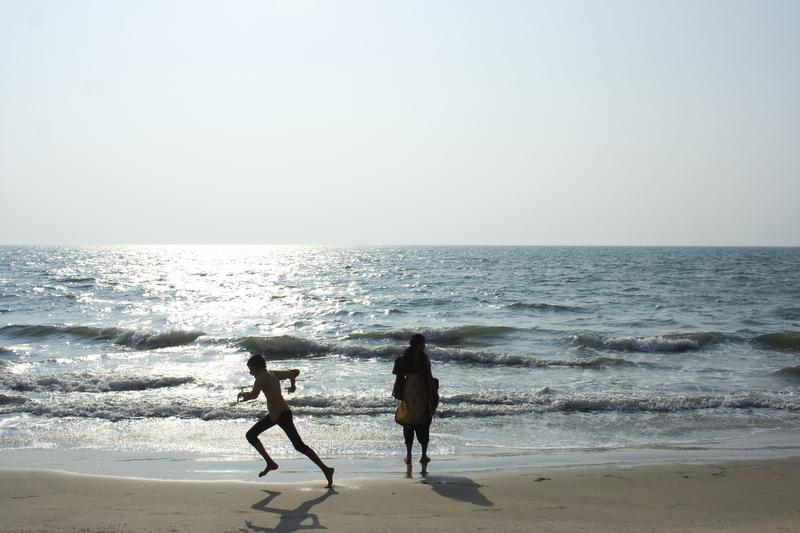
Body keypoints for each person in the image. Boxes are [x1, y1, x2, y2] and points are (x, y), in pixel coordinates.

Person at [237, 354, 334, 488]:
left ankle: (326, 469)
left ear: (258, 367)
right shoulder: (272, 373)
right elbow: (294, 373)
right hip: (276, 414)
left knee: (299, 446)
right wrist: (293, 385)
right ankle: (270, 463)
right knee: (251, 435)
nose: (250, 372)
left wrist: (244, 395)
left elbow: (254, 394)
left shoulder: (260, 377)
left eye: (251, 369)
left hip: (281, 415)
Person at [392, 333, 437, 465]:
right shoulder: (423, 359)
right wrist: (433, 395)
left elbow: (398, 376)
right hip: (421, 393)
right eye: (423, 343)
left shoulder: (402, 358)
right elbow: (428, 379)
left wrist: (400, 393)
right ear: (418, 344)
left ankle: (409, 455)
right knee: (424, 423)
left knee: (408, 424)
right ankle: (423, 455)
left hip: (408, 394)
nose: (425, 346)